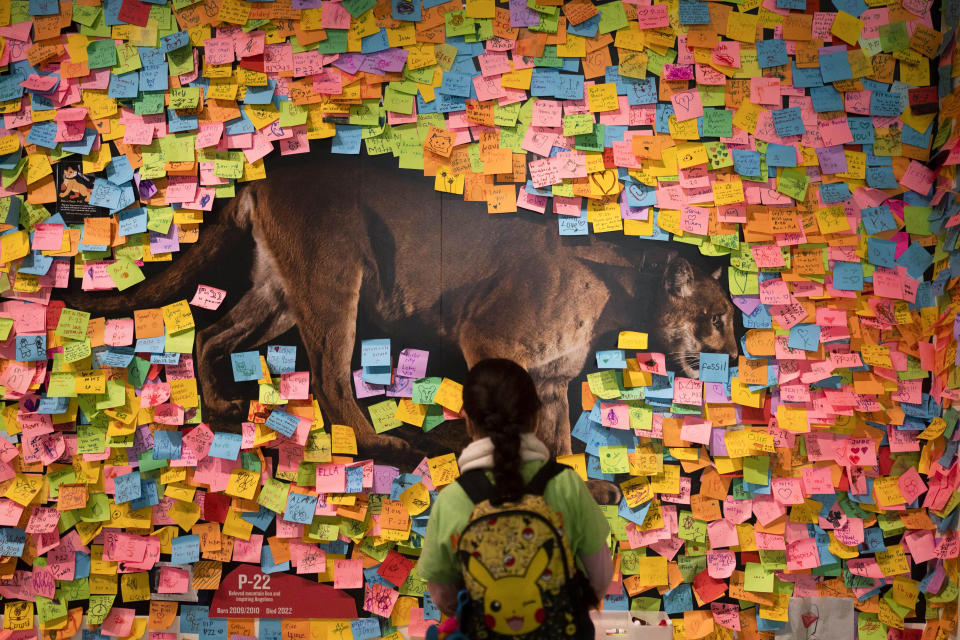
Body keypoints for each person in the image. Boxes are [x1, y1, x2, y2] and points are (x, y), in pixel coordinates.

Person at [418, 358, 614, 626]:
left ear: (469, 423)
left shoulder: (452, 498)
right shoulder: (567, 486)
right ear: (536, 417)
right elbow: (600, 579)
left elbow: (443, 596)